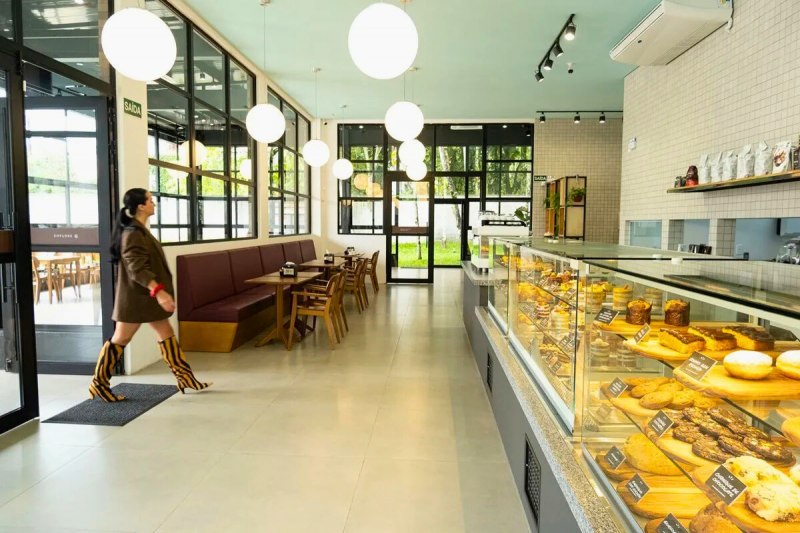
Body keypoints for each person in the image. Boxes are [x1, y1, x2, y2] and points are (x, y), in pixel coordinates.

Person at [89, 188, 210, 402]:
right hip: (136, 298)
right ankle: (99, 384)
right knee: (121, 338)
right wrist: (160, 292)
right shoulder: (133, 233)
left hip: (144, 296)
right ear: (141, 206)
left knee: (166, 333)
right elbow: (137, 269)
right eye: (151, 201)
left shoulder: (138, 230)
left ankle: (185, 377)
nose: (154, 204)